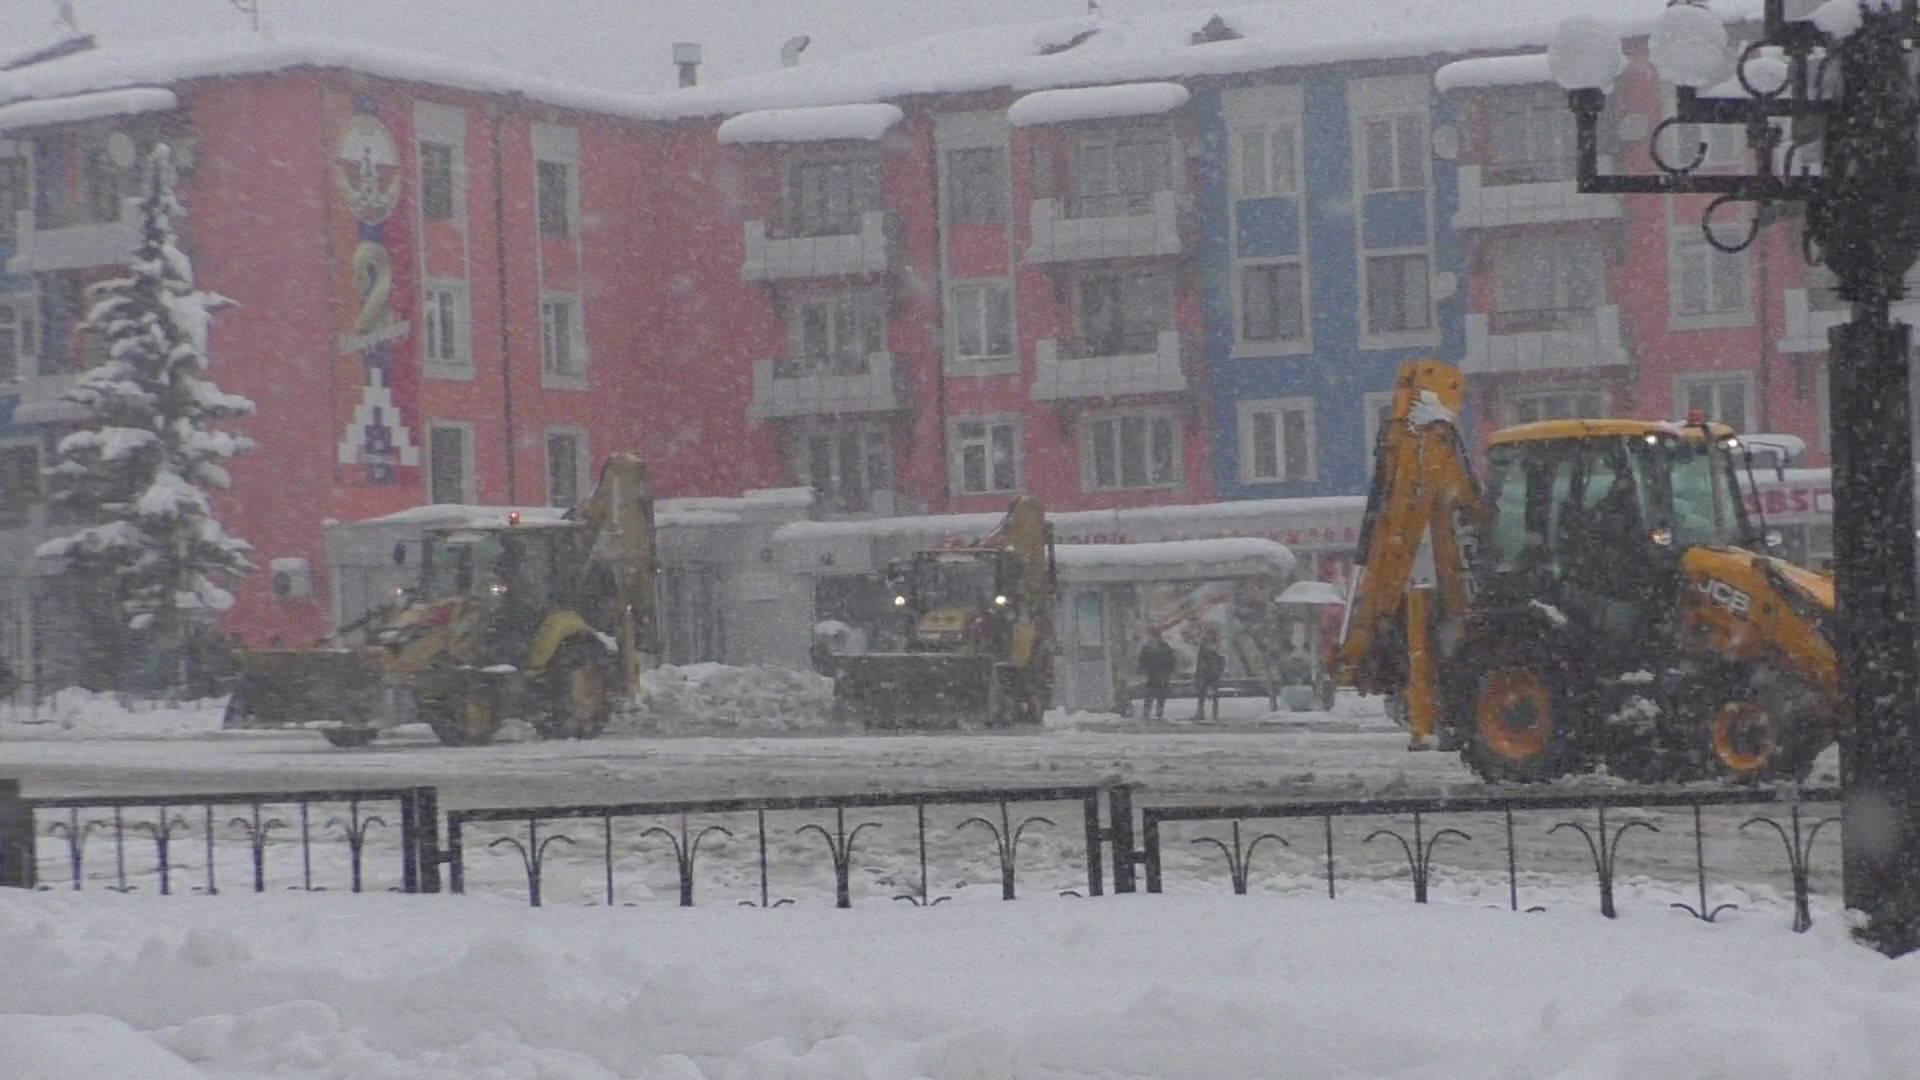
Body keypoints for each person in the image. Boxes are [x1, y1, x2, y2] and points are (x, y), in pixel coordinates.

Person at [1136, 627, 1176, 721]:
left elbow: (1171, 659)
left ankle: (1154, 712)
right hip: (1157, 674)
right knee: (1153, 694)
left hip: (1157, 673)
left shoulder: (1153, 646)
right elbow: (1171, 659)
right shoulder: (1158, 646)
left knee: (1156, 694)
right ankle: (1152, 712)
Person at [1192, 634, 1225, 721]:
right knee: (1202, 694)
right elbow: (1199, 661)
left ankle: (1213, 713)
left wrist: (1218, 670)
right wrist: (1198, 673)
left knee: (1213, 694)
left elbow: (1221, 660)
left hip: (1212, 673)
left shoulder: (1216, 648)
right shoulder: (1204, 647)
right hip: (1205, 673)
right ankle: (1201, 712)